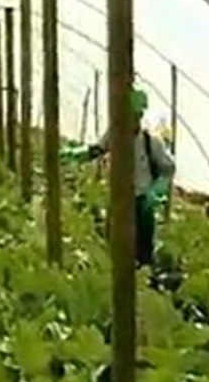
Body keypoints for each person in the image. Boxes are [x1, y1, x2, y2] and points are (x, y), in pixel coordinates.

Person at [60, 87, 175, 266]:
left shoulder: (150, 142)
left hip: (141, 203)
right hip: (118, 201)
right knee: (115, 249)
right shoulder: (114, 135)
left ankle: (144, 285)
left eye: (134, 115)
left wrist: (155, 191)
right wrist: (75, 154)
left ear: (139, 115)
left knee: (143, 253)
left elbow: (168, 169)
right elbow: (96, 150)